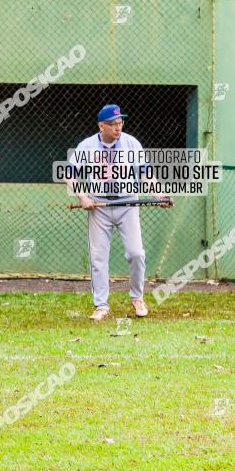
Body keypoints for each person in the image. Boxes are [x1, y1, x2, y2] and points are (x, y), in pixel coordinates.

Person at [73, 104, 168, 321]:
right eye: (113, 124)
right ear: (101, 126)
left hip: (127, 204)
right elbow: (70, 173)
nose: (118, 127)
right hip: (99, 206)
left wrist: (158, 194)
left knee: (136, 253)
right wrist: (83, 197)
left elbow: (145, 172)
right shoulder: (87, 146)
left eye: (120, 123)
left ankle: (137, 298)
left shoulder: (131, 143)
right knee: (98, 258)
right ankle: (101, 306)